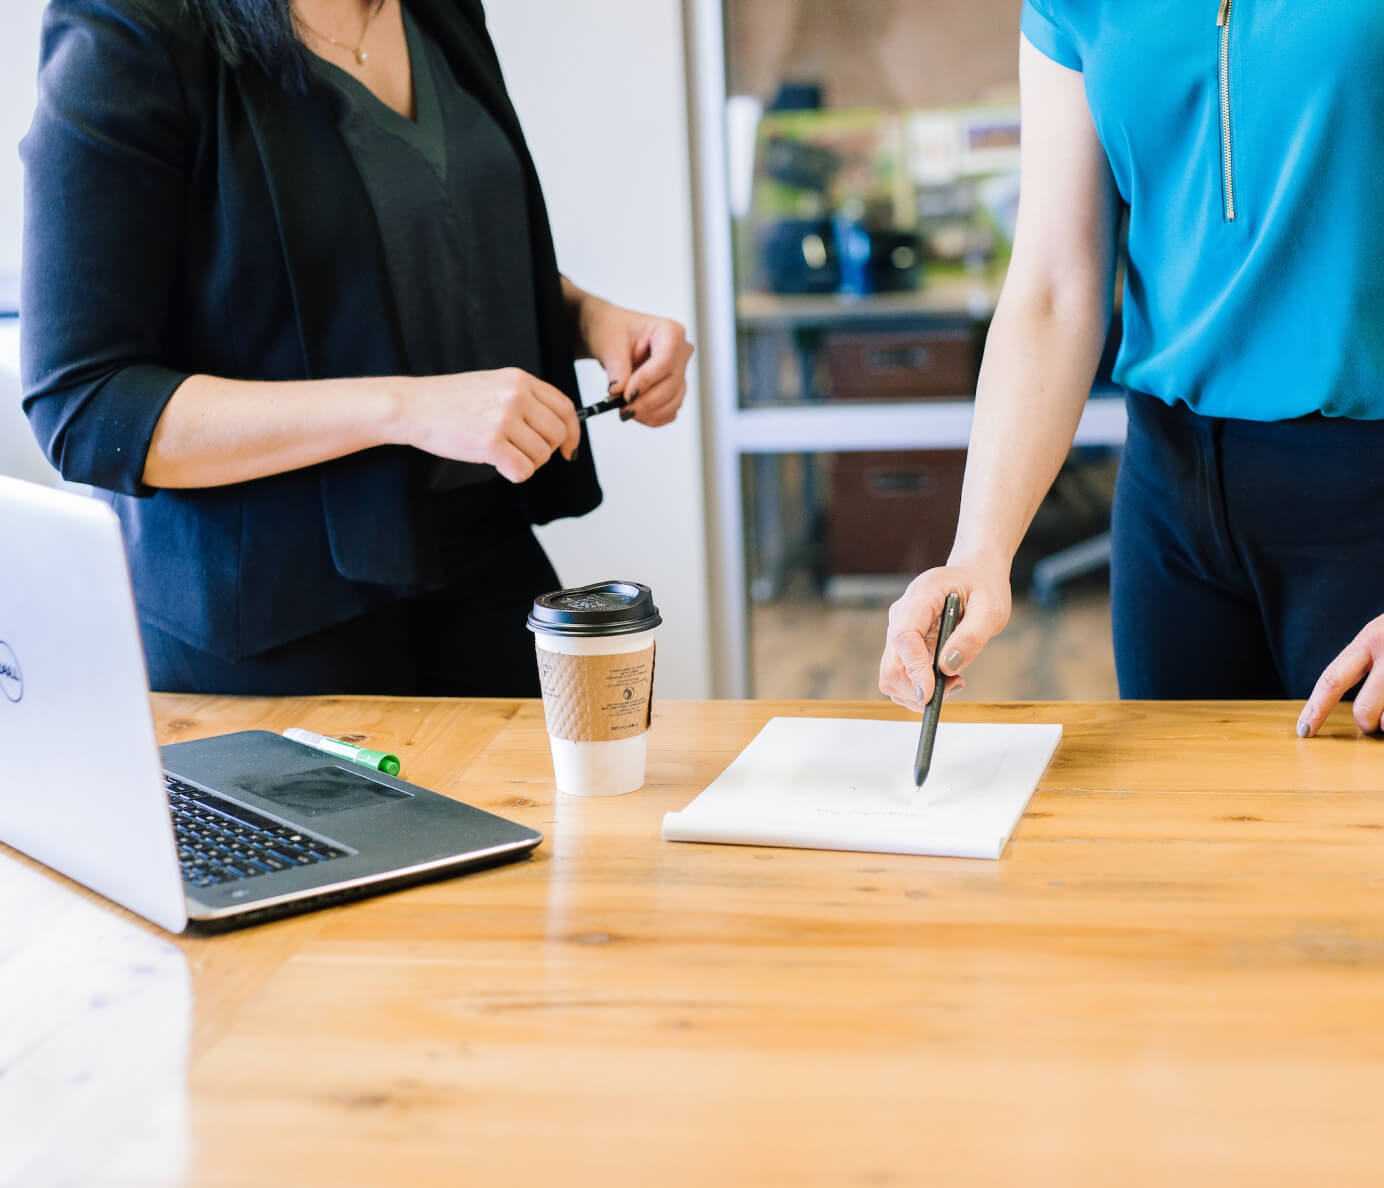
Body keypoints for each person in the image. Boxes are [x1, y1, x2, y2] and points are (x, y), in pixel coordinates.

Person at [20, 0, 693, 697]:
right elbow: (86, 402)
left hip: (481, 559)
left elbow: (398, 252)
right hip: (275, 620)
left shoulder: (438, 11)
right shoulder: (129, 29)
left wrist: (586, 319)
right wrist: (405, 408)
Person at [879, 2, 1384, 739]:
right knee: (1178, 809)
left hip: (1366, 488)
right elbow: (1054, 287)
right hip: (1170, 498)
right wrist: (979, 552)